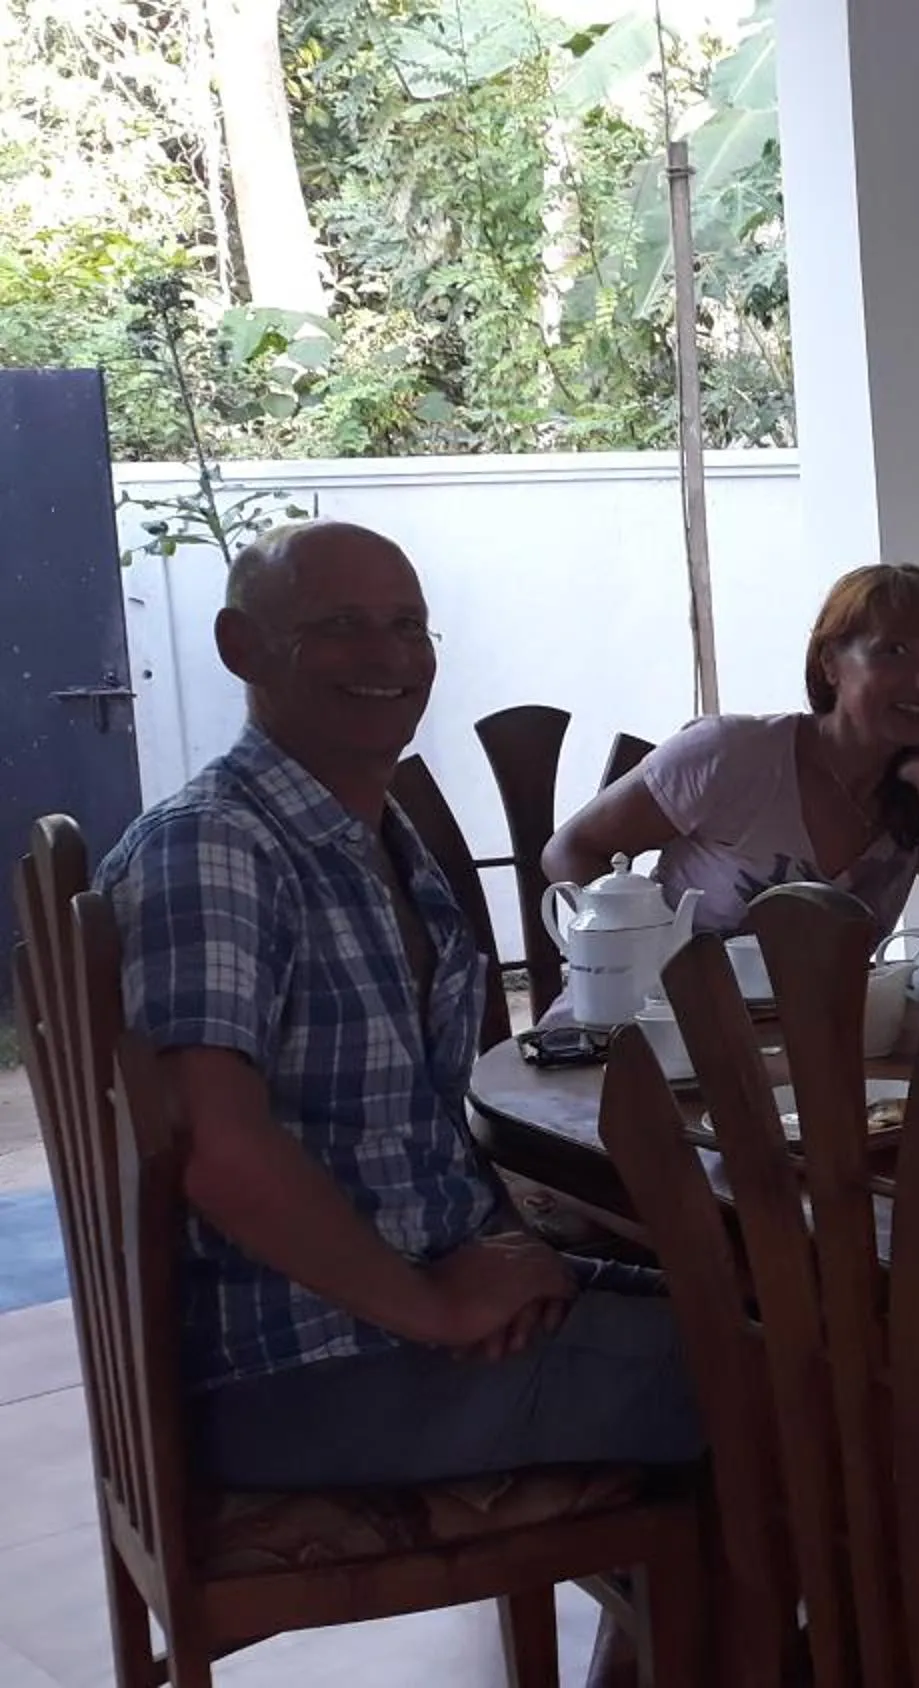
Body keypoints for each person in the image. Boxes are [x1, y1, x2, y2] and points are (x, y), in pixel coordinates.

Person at [97, 520, 701, 1491]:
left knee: (768, 1317)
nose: (387, 655)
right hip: (310, 1367)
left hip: (397, 1316)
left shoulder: (367, 837)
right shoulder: (215, 847)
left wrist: (502, 1248)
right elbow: (211, 1141)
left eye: (408, 625)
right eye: (339, 624)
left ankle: (682, 1641)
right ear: (240, 647)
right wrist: (429, 1303)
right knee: (798, 1381)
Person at [543, 562, 919, 953]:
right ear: (830, 662)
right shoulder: (730, 754)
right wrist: (649, 972)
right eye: (893, 652)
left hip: (807, 1052)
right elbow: (570, 850)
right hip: (645, 1042)